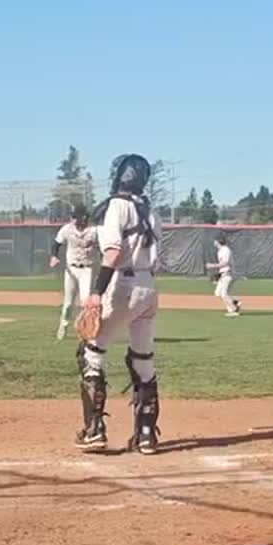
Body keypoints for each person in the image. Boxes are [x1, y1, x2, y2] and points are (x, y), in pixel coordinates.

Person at [74, 153, 163, 454]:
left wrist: (97, 292)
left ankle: (94, 430)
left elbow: (111, 253)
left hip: (122, 285)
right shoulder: (149, 211)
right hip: (148, 288)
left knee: (91, 351)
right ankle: (147, 434)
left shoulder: (117, 206)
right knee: (143, 359)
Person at [51, 207, 98, 340]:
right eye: (74, 217)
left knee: (85, 302)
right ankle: (63, 327)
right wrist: (54, 256)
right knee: (68, 303)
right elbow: (56, 243)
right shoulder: (67, 229)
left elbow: (103, 247)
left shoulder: (93, 231)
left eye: (77, 217)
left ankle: (85, 330)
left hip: (87, 269)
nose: (74, 219)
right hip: (71, 269)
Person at [207, 231, 242, 316]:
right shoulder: (220, 251)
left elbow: (225, 263)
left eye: (215, 240)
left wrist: (212, 266)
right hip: (224, 274)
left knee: (223, 293)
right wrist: (219, 274)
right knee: (218, 293)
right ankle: (234, 302)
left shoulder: (226, 250)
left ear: (218, 241)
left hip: (228, 273)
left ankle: (234, 310)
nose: (214, 242)